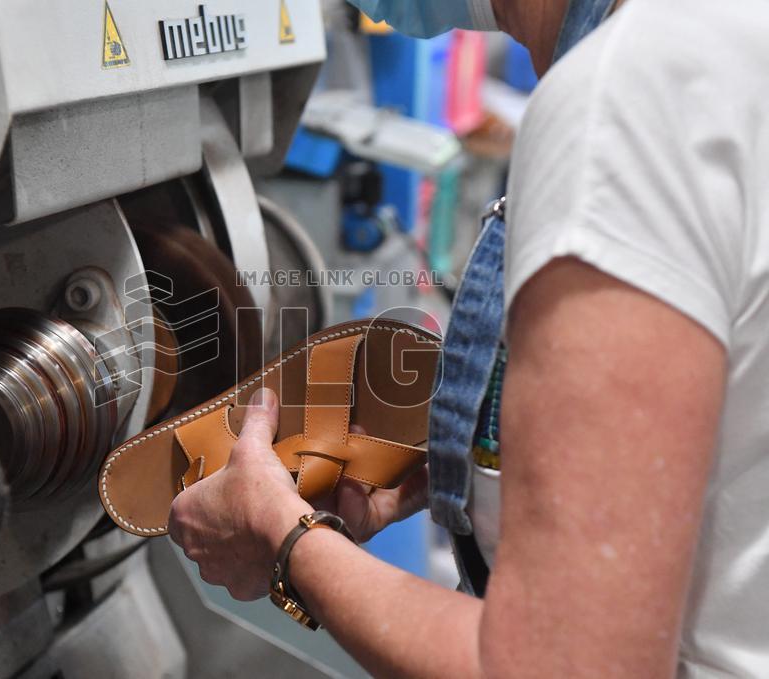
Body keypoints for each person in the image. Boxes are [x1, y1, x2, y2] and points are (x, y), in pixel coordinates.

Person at [168, 0, 769, 676]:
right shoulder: (725, 40)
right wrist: (499, 464)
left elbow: (557, 666)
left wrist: (285, 541)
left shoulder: (623, 98)